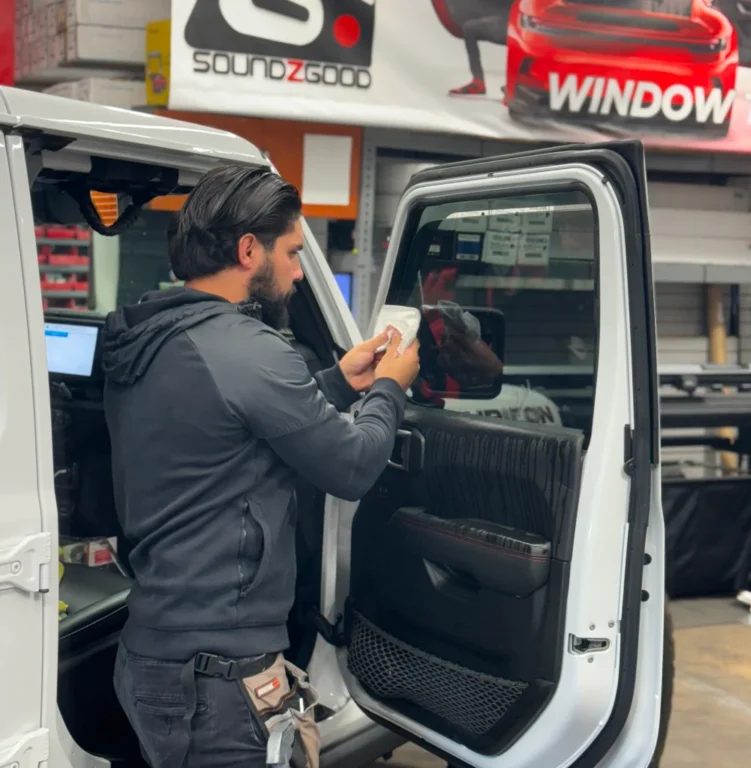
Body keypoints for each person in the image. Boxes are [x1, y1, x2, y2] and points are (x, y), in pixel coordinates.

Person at [101, 165, 420, 768]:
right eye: (294, 252)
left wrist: (335, 383)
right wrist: (389, 390)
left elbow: (222, 424)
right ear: (249, 250)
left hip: (153, 655)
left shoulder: (153, 333)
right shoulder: (251, 349)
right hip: (217, 680)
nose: (300, 271)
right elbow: (351, 467)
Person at [445, 0, 514, 97]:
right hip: (513, 20)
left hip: (517, 22)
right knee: (470, 28)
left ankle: (515, 85)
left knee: (470, 28)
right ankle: (478, 82)